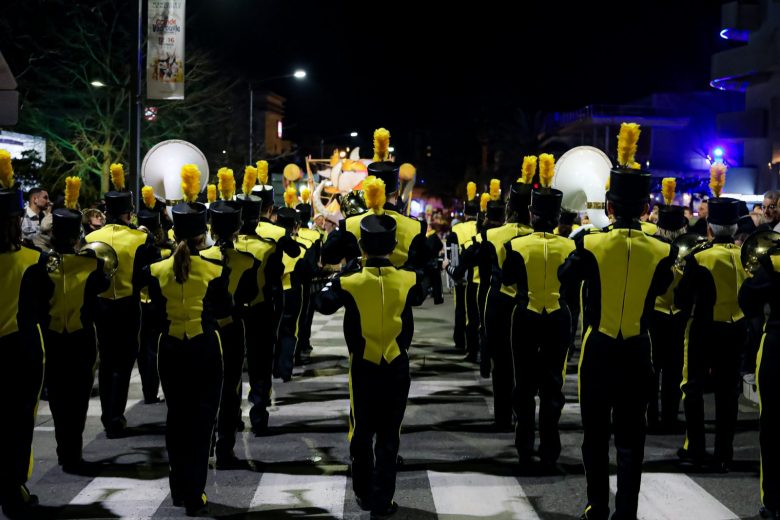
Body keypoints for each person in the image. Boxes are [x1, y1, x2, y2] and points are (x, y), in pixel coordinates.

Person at [559, 123, 676, 520]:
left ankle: (598, 507)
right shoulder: (663, 248)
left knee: (594, 436)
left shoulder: (588, 243)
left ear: (609, 206)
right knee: (631, 436)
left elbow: (565, 278)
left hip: (599, 347)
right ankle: (626, 511)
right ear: (645, 208)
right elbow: (661, 287)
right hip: (638, 348)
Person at [315, 214, 426, 520]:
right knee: (390, 436)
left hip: (362, 366)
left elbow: (322, 304)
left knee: (361, 433)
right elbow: (423, 290)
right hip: (396, 363)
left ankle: (363, 491)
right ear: (393, 246)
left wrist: (338, 276)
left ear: (361, 246)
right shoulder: (408, 278)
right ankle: (382, 500)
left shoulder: (350, 280)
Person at [144, 168, 231, 517]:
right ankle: (195, 492)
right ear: (202, 235)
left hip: (170, 349)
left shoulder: (156, 270)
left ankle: (178, 488)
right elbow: (226, 313)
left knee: (176, 419)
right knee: (202, 421)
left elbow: (151, 320)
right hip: (204, 348)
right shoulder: (215, 268)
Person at [501, 155, 574, 470]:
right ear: (557, 217)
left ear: (531, 214)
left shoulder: (517, 245)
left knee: (524, 383)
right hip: (558, 316)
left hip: (526, 315)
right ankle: (550, 448)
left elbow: (506, 279)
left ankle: (524, 445)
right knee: (552, 383)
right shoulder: (570, 247)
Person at [675, 163, 748, 473]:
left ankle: (698, 449)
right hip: (737, 328)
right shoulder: (745, 254)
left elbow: (681, 299)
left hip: (704, 329)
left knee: (692, 388)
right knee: (728, 393)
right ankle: (724, 452)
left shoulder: (699, 257)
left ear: (709, 228)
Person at [0, 151, 54, 519]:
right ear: (16, 221)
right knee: (18, 423)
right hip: (19, 349)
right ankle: (13, 490)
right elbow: (43, 306)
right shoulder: (32, 260)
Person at [85, 163, 157, 437]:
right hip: (128, 305)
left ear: (106, 212)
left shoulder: (91, 237)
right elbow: (146, 276)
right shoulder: (140, 238)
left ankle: (107, 415)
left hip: (101, 306)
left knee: (106, 361)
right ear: (128, 212)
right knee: (124, 363)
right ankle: (116, 416)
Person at [45, 176, 110, 474]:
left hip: (52, 338)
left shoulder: (39, 263)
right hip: (82, 338)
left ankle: (64, 449)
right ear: (77, 235)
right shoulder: (92, 263)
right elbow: (102, 289)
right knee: (78, 398)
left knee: (58, 398)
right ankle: (72, 451)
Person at [202, 187, 261, 469]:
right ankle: (225, 448)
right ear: (238, 228)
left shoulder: (200, 259)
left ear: (211, 228)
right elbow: (249, 297)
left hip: (206, 330)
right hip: (234, 329)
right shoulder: (248, 262)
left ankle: (206, 442)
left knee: (206, 387)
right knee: (231, 388)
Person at [479, 165, 535, 429]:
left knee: (501, 364)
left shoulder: (492, 234)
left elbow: (477, 261)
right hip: (529, 303)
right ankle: (523, 415)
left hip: (500, 303)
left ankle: (502, 417)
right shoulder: (539, 237)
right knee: (526, 364)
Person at [739, 244, 780, 520]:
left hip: (778, 344)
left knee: (773, 426)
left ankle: (775, 502)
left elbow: (747, 298)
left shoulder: (774, 262)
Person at [647, 179, 689, 433]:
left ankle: (652, 418)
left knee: (653, 370)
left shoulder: (652, 249)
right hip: (678, 316)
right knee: (673, 372)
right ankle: (670, 418)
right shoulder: (691, 252)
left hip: (655, 314)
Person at [136, 186, 172, 405]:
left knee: (145, 351)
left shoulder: (134, 245)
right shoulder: (166, 249)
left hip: (140, 304)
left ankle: (149, 391)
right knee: (155, 349)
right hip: (157, 304)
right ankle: (154, 389)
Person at [446, 182, 480, 358]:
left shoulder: (456, 229)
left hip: (462, 275)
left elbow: (452, 255)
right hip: (480, 277)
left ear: (465, 213)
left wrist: (452, 277)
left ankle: (460, 340)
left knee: (461, 309)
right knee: (477, 313)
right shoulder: (482, 228)